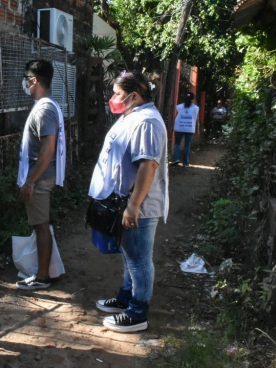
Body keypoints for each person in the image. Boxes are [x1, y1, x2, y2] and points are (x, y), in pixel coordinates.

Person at [89, 70, 168, 333]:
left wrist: (133, 206)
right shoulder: (133, 116)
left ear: (134, 95)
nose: (113, 98)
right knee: (129, 255)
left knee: (139, 258)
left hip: (139, 207)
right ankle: (125, 298)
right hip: (124, 202)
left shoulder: (146, 122)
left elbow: (148, 165)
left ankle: (137, 313)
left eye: (118, 94)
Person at [15, 59, 66, 290]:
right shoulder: (48, 105)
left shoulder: (44, 109)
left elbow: (48, 150)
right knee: (41, 224)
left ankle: (43, 276)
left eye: (27, 79)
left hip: (40, 179)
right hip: (43, 177)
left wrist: (30, 182)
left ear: (34, 80)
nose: (25, 84)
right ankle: (47, 270)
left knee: (41, 225)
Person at [171, 93, 199, 167]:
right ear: (193, 99)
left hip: (179, 127)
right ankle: (186, 163)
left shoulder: (179, 106)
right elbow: (197, 119)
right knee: (187, 145)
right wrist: (197, 129)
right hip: (190, 128)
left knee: (177, 143)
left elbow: (175, 117)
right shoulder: (196, 108)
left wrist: (172, 126)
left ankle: (176, 159)